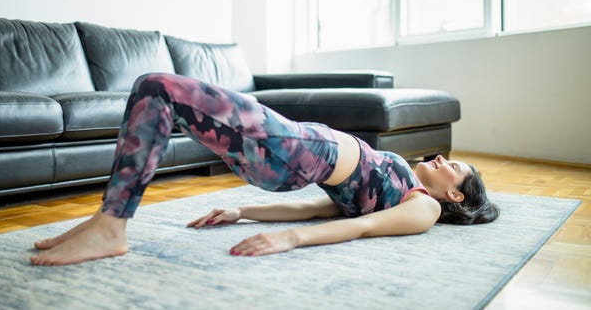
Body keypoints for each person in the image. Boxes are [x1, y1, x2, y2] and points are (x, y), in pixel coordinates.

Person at [31, 73, 499, 266]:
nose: (440, 160)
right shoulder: (405, 183)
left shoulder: (424, 210)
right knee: (156, 99)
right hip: (289, 154)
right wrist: (243, 212)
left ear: (455, 196)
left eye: (452, 167)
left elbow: (359, 227)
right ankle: (106, 219)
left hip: (299, 150)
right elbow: (320, 208)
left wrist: (289, 241)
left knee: (157, 86)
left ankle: (112, 226)